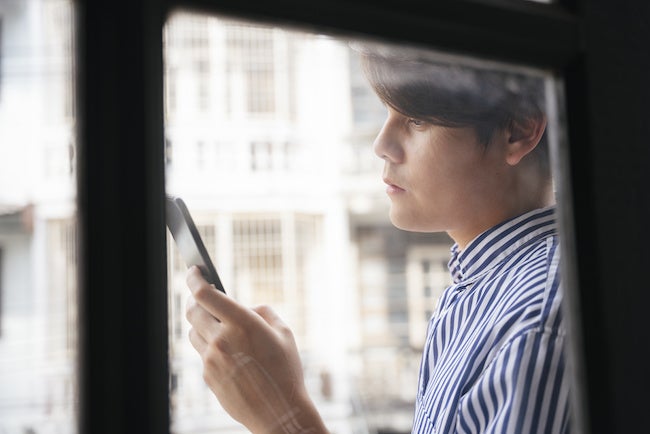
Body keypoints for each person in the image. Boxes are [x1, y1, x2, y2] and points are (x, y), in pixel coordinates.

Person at [185, 43, 571, 434]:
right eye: (387, 114)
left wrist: (283, 417)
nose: (381, 145)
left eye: (417, 121)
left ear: (519, 130)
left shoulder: (535, 319)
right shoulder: (478, 293)